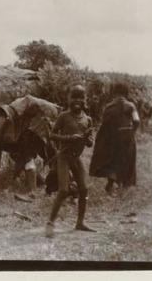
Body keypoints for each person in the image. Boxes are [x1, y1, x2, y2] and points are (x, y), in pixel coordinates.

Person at [0, 95, 59, 198]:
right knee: (19, 155)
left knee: (33, 156)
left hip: (37, 124)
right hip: (28, 129)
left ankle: (34, 192)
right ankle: (42, 183)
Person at [45, 85, 95, 238]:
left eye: (81, 97)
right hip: (64, 157)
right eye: (74, 97)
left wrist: (87, 138)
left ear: (84, 100)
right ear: (69, 99)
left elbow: (90, 143)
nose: (77, 101)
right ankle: (50, 224)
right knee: (64, 190)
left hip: (76, 158)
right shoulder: (63, 116)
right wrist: (69, 138)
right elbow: (51, 135)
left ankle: (80, 222)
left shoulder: (88, 119)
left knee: (84, 189)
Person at [90, 82, 140, 194]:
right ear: (126, 93)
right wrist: (132, 132)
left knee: (113, 160)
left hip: (112, 139)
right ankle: (121, 186)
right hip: (126, 137)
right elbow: (136, 120)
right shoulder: (130, 105)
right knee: (126, 160)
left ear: (114, 93)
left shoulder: (109, 107)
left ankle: (111, 184)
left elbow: (104, 124)